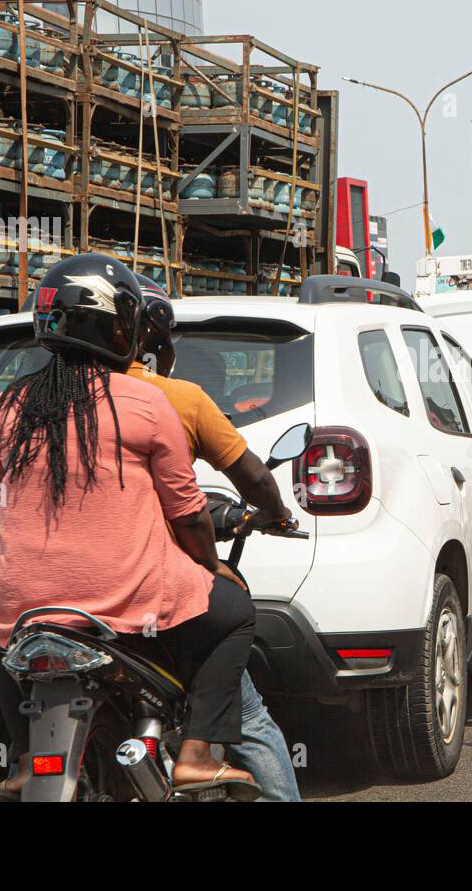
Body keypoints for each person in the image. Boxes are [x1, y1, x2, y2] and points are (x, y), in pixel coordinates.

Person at [0, 254, 257, 799]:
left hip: (24, 601)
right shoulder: (146, 402)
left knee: (0, 631)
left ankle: (21, 760)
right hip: (129, 596)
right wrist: (211, 565)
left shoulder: (7, 405)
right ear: (119, 327)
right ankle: (197, 754)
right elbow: (188, 512)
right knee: (236, 615)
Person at [127, 272, 301, 801]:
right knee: (247, 712)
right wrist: (274, 515)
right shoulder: (171, 401)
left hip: (52, 596)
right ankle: (200, 752)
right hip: (157, 590)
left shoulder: (32, 404)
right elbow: (244, 479)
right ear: (155, 341)